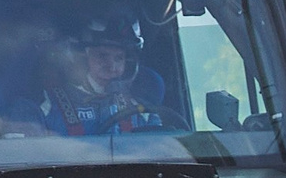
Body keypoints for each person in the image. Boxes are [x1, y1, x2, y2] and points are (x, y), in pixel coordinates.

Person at [11, 15, 176, 136]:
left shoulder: (140, 109)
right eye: (102, 56)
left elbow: (159, 149)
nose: (111, 66)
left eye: (119, 58)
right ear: (81, 57)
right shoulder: (43, 104)